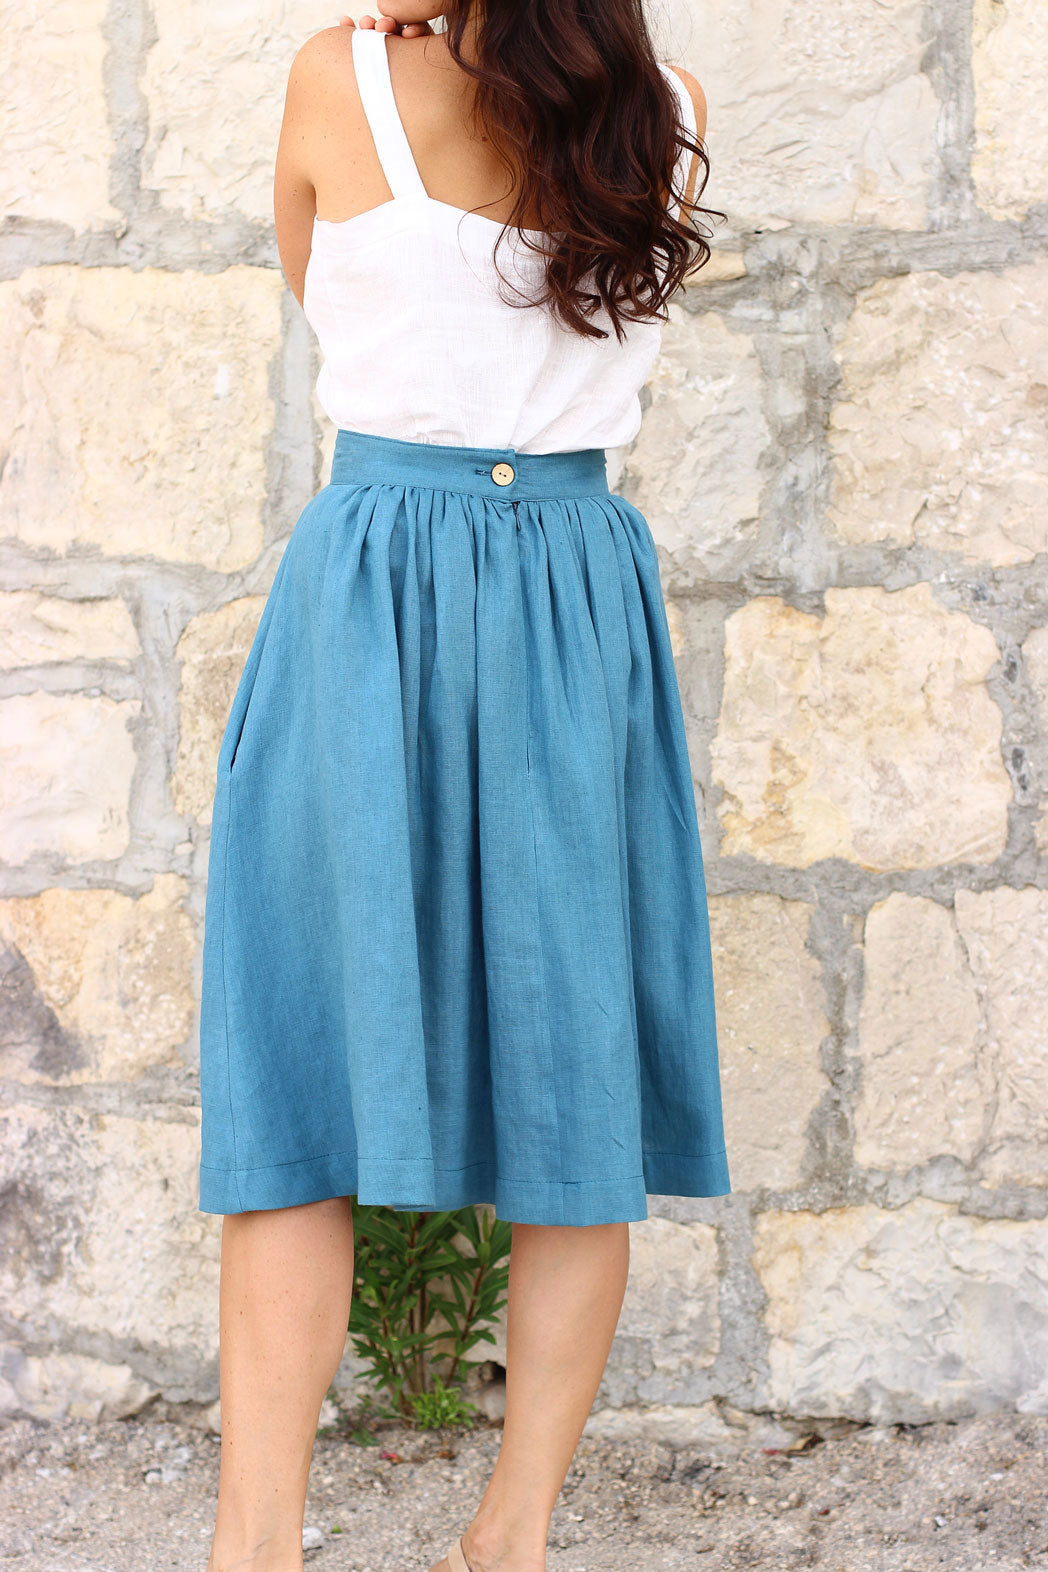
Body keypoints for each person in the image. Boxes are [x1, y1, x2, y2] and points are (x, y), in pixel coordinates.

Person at [197, 5, 730, 1570]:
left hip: (374, 591)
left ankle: (254, 1547)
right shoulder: (668, 107)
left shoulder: (338, 76)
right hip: (574, 601)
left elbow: (321, 294)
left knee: (300, 1079)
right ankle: (512, 1536)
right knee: (574, 1091)